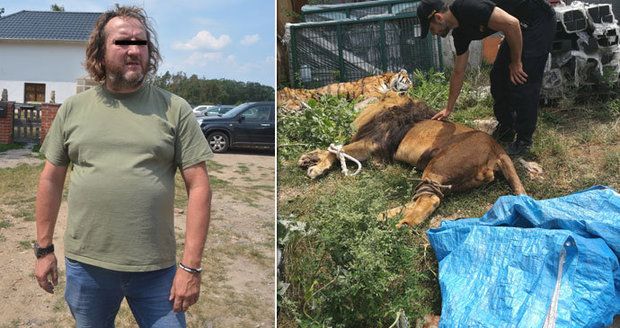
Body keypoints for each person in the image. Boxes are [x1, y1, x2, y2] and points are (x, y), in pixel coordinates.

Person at [33, 5, 213, 327]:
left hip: (156, 270)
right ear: (100, 53)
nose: (134, 51)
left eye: (141, 43)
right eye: (122, 42)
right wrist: (43, 249)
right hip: (88, 267)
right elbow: (50, 180)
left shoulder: (175, 108)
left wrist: (191, 266)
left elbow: (199, 187)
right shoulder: (73, 109)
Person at [417, 0, 555, 155]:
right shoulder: (460, 33)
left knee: (522, 79)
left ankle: (524, 140)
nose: (434, 33)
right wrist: (449, 107)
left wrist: (516, 62)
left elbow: (512, 23)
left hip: (538, 20)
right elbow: (458, 72)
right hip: (516, 27)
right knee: (498, 76)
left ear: (439, 18)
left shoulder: (468, 7)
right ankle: (506, 127)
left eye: (431, 28)